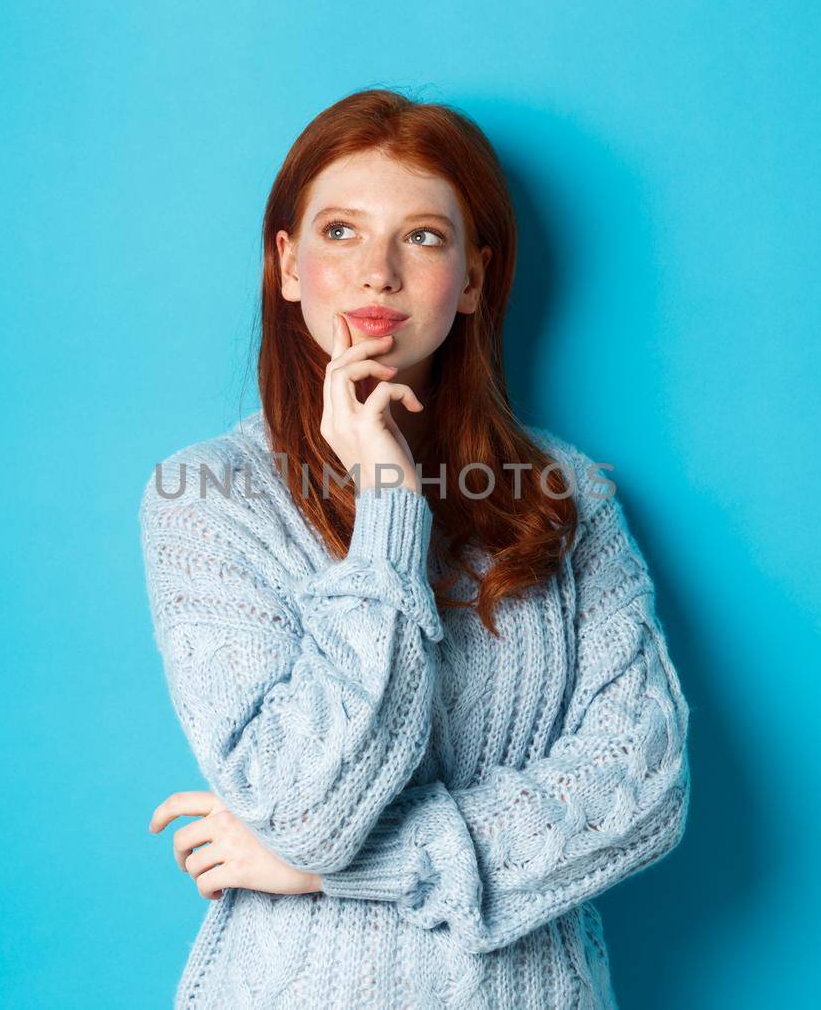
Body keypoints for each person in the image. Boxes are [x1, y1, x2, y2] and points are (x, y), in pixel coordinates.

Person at [139, 88, 691, 1009]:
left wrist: (347, 868)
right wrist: (392, 506)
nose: (377, 275)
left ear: (475, 277)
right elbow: (304, 805)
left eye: (423, 237)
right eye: (342, 232)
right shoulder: (204, 500)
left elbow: (641, 785)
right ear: (286, 264)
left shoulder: (570, 494)